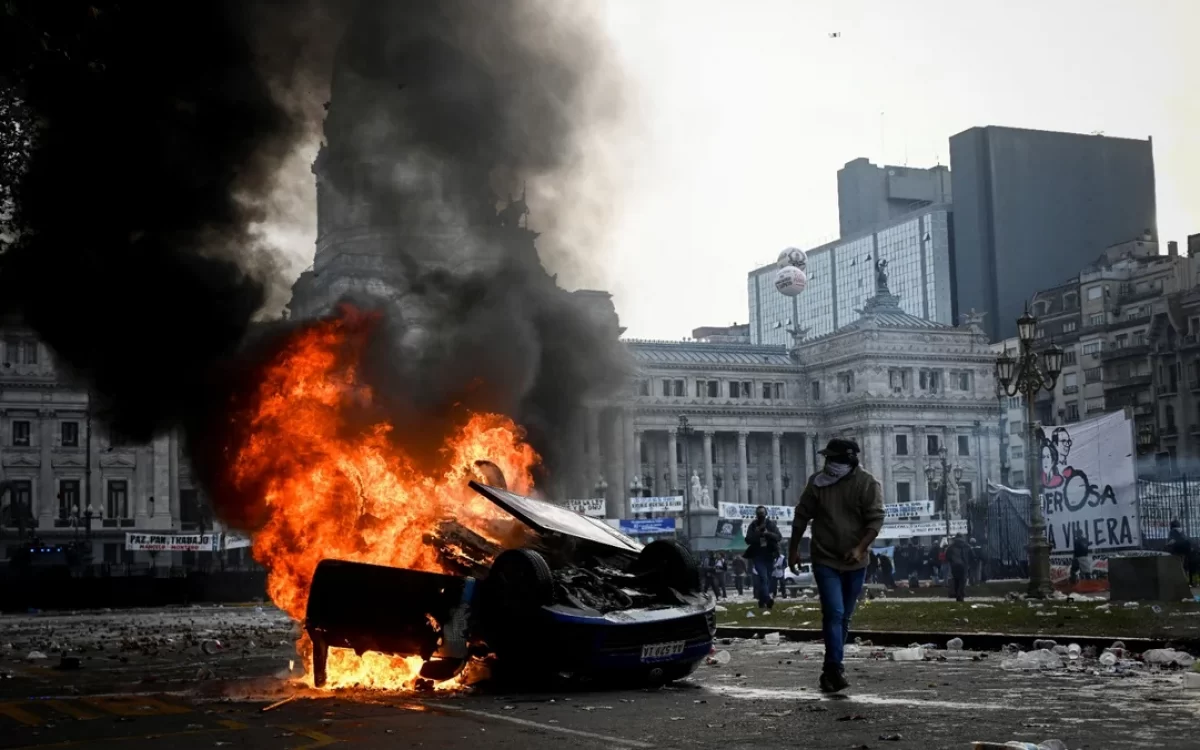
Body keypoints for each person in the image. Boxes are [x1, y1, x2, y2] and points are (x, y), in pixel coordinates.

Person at [788, 438, 885, 694]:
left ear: (849, 460)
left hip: (856, 561)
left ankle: (830, 669)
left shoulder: (867, 483)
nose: (829, 464)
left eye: (835, 459)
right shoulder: (817, 482)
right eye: (827, 459)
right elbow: (801, 515)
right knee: (834, 612)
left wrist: (860, 548)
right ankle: (835, 667)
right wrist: (793, 549)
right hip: (825, 558)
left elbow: (875, 520)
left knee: (844, 617)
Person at [744, 505, 782, 609]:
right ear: (756, 515)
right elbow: (747, 540)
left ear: (766, 514)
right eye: (759, 513)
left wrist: (767, 533)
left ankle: (761, 601)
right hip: (758, 556)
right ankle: (767, 599)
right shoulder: (753, 525)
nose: (761, 515)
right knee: (763, 577)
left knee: (767, 579)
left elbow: (779, 537)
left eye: (762, 513)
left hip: (770, 555)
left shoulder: (771, 524)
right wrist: (756, 533)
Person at [1166, 520, 1195, 584]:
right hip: (1185, 550)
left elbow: (1172, 540)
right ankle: (1185, 579)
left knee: (1178, 565)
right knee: (1182, 564)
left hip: (1177, 550)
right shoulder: (1182, 531)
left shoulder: (1172, 531)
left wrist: (1167, 544)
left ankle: (1182, 580)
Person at [946, 534, 972, 601]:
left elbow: (947, 556)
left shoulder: (951, 547)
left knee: (956, 580)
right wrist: (968, 563)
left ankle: (957, 594)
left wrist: (951, 562)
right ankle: (961, 594)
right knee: (963, 580)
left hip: (954, 566)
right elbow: (972, 555)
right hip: (964, 566)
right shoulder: (967, 546)